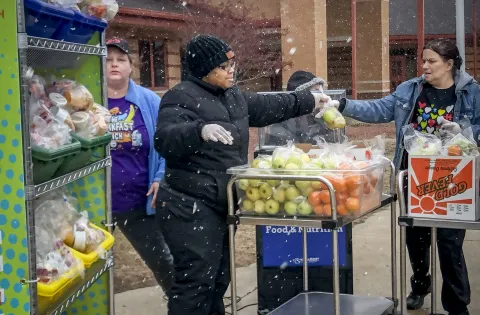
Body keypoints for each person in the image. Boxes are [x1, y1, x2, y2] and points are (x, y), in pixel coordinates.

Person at [153, 34, 330, 315]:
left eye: (231, 65)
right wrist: (198, 131)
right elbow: (164, 139)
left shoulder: (232, 96)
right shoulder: (180, 96)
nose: (231, 71)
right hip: (187, 204)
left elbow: (269, 106)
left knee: (218, 278)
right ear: (204, 69)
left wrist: (308, 101)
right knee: (195, 283)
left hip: (218, 202)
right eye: (223, 67)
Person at [338, 39, 478, 315]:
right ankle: (420, 284)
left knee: (450, 245)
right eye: (423, 61)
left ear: (449, 65)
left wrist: (463, 130)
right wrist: (342, 104)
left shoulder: (471, 93)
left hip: (453, 182)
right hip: (413, 179)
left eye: (432, 61)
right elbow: (378, 109)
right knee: (416, 238)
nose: (424, 66)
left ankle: (456, 304)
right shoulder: (410, 90)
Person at [106, 38, 174, 297]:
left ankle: (184, 307)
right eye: (108, 59)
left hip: (138, 202)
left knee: (164, 262)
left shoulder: (148, 101)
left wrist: (160, 177)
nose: (114, 64)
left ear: (131, 66)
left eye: (121, 59)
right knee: (91, 271)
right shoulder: (89, 99)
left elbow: (166, 144)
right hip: (97, 203)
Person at [264, 70, 328, 145]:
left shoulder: (319, 117)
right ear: (303, 96)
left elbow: (332, 143)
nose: (323, 96)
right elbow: (277, 149)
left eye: (321, 91)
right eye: (317, 91)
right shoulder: (281, 121)